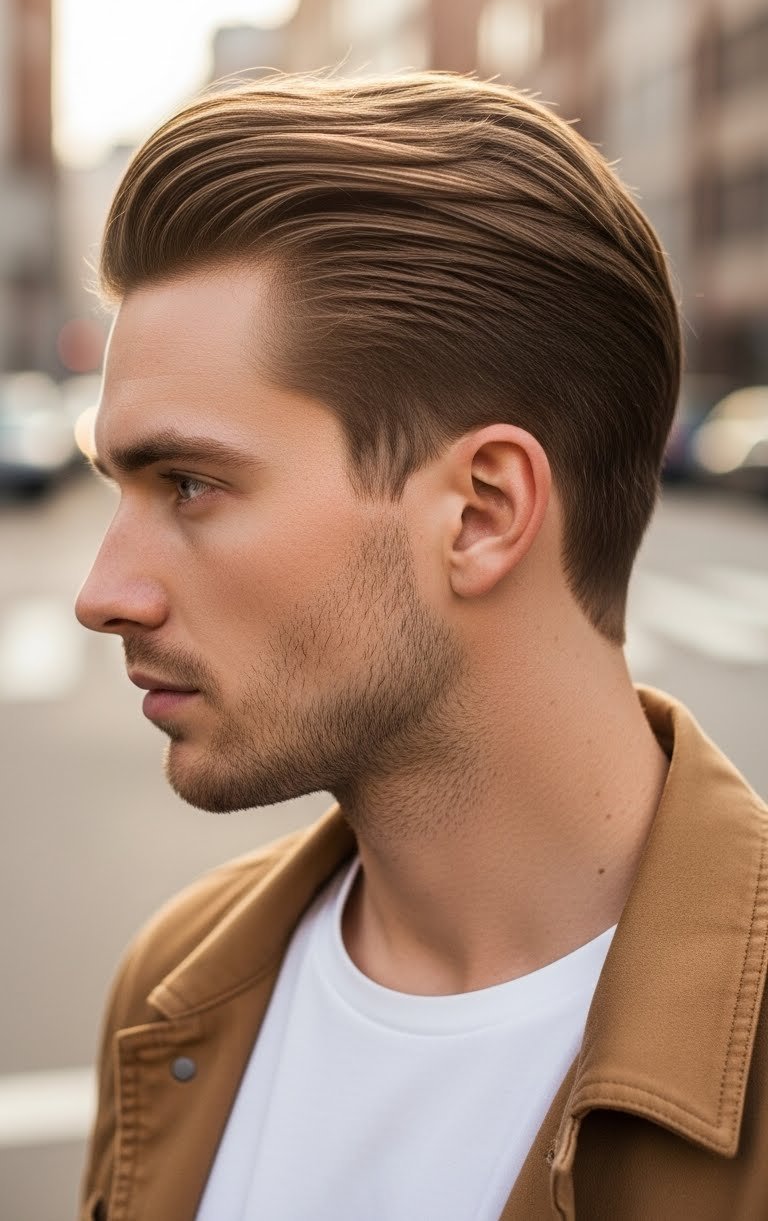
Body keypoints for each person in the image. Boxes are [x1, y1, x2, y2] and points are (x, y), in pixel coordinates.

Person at [75, 74, 768, 1221]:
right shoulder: (179, 986)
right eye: (119, 486)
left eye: (188, 483)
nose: (104, 596)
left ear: (482, 512)